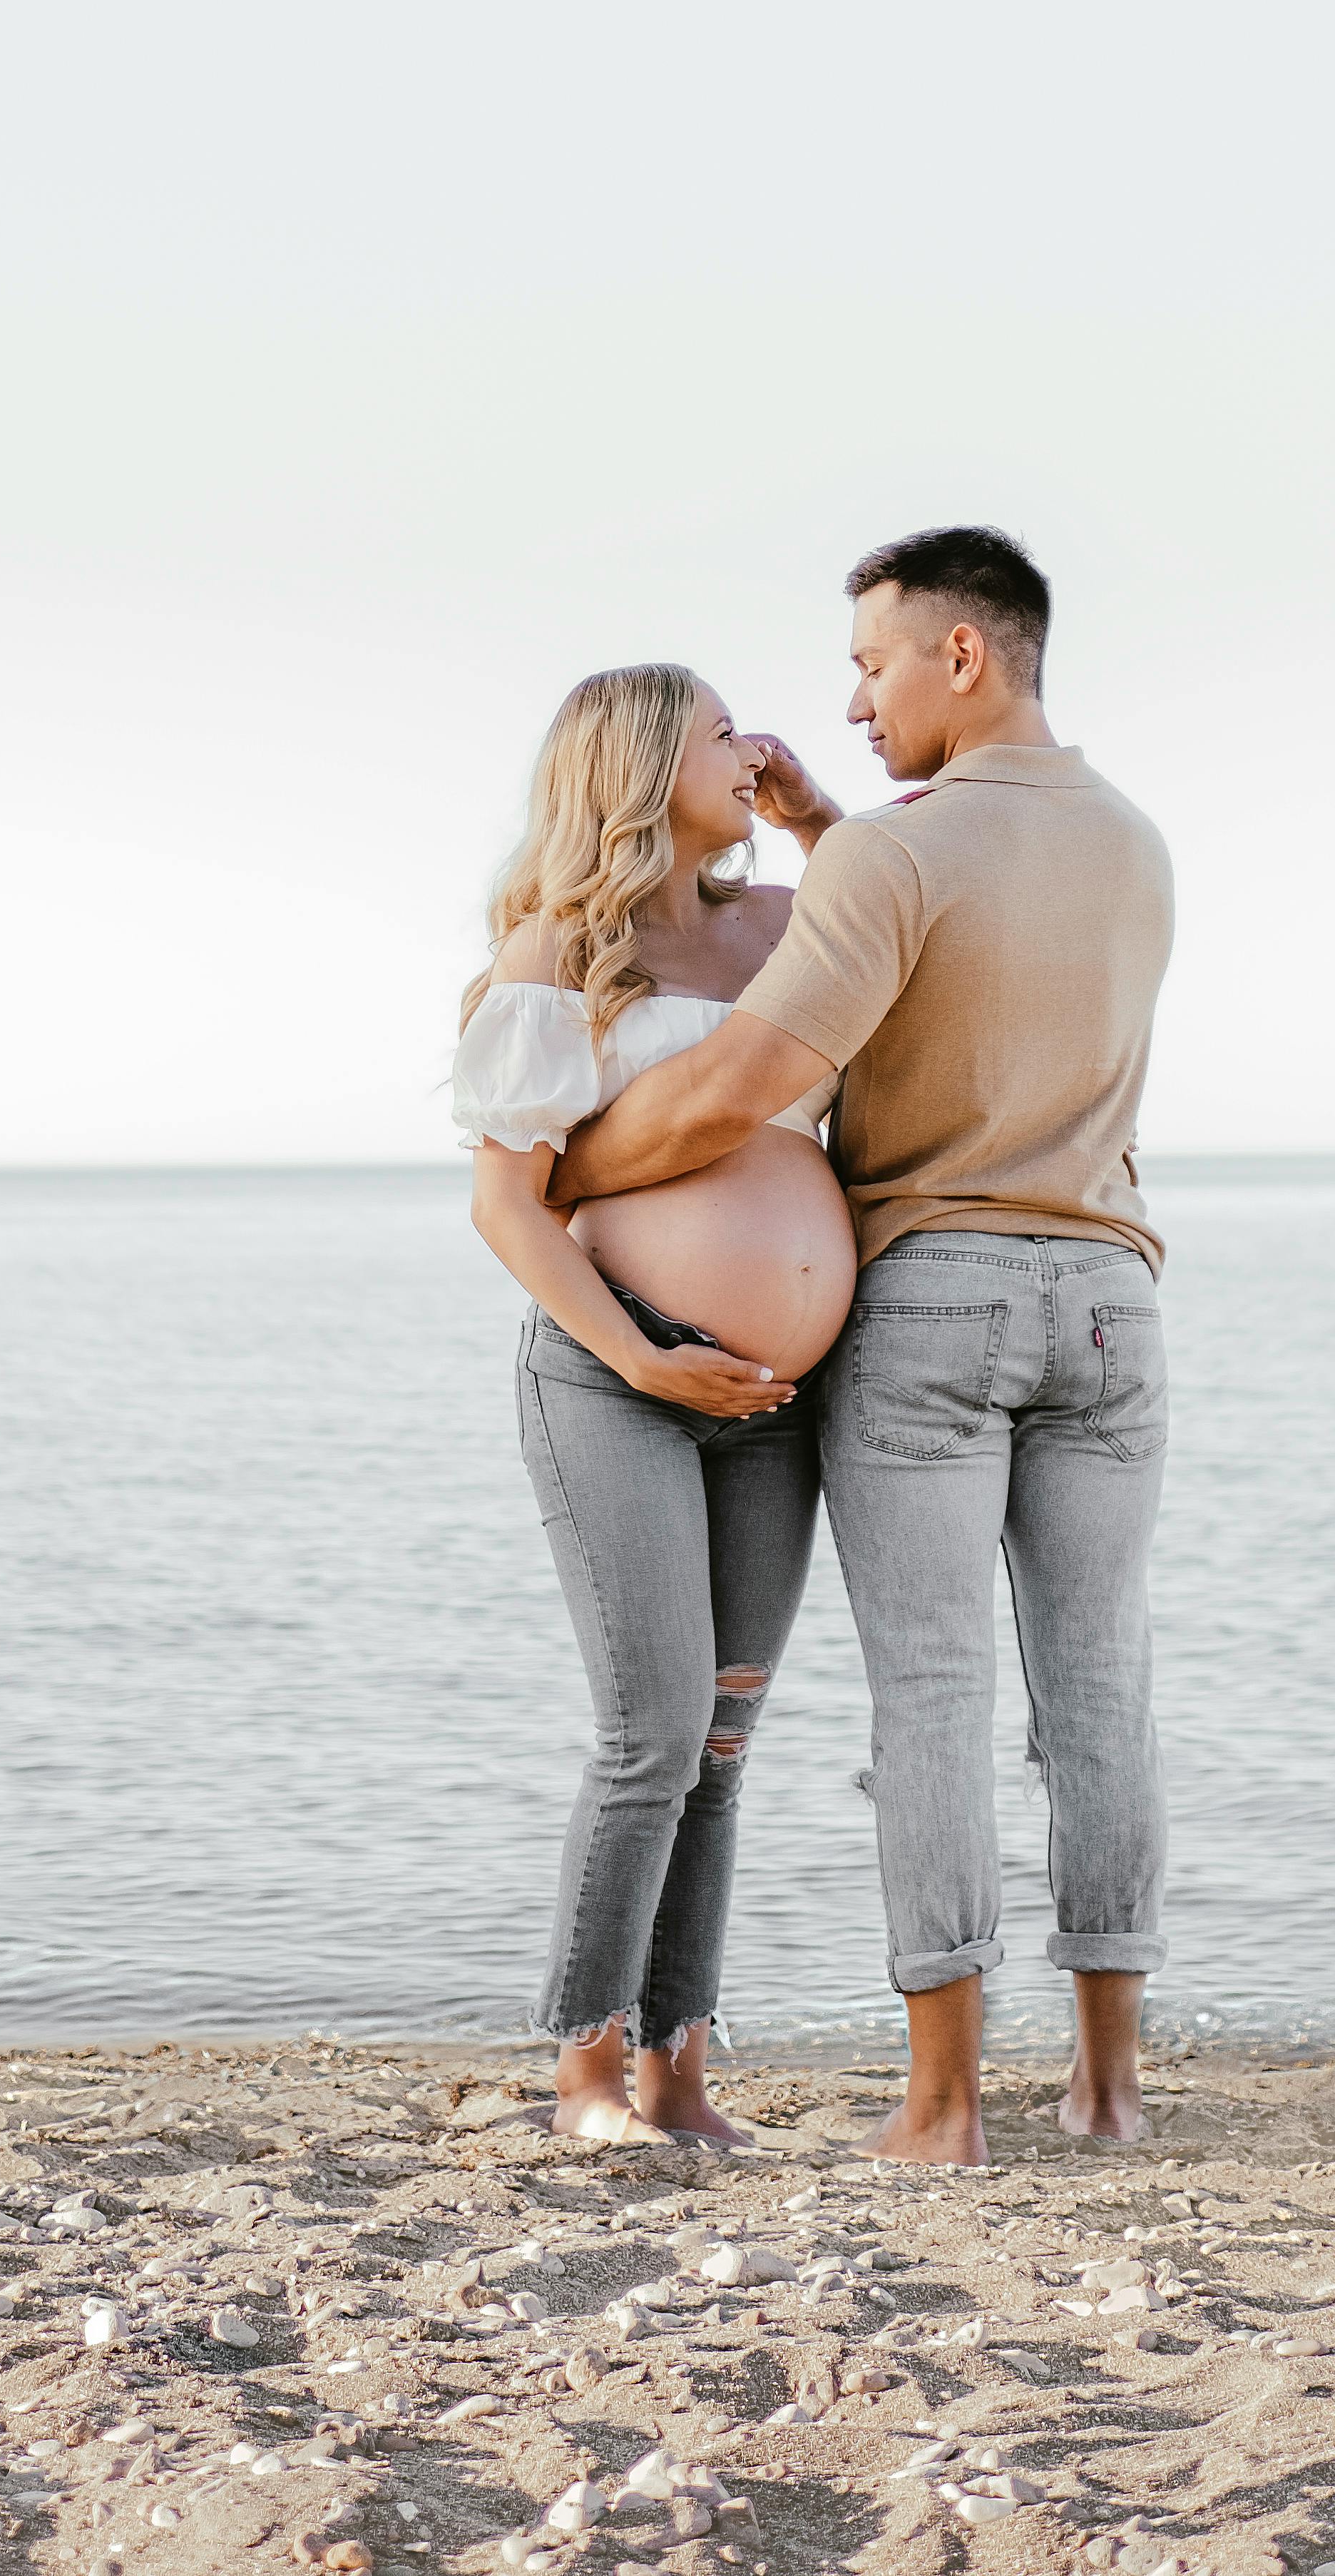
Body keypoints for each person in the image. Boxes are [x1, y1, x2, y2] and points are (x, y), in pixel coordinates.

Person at [551, 528, 1176, 2165]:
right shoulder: (1130, 843)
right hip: (1112, 1299)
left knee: (933, 1700)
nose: (849, 703)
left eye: (871, 665)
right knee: (1098, 1690)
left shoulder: (899, 860)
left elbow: (739, 1082)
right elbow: (977, 958)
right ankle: (1108, 2093)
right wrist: (829, 839)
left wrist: (573, 1173)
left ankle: (942, 2109)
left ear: (958, 657)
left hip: (940, 1301)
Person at [453, 662, 858, 2144]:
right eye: (715, 733)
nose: (748, 747)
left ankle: (683, 2071)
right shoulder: (562, 949)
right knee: (649, 1730)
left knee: (724, 1743)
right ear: (636, 765)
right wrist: (638, 1356)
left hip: (772, 1400)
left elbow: (902, 916)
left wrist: (816, 818)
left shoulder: (778, 926)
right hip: (613, 1383)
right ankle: (583, 2069)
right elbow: (508, 1206)